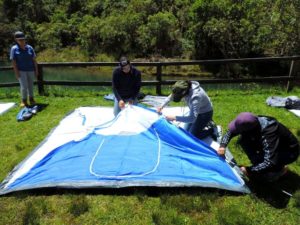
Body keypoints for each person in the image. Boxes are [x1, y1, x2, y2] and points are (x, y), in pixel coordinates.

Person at [217, 112, 299, 181]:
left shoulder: (269, 133)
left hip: (289, 152)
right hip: (273, 146)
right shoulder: (253, 122)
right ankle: (258, 164)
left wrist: (249, 170)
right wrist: (222, 146)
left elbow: (270, 162)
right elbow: (231, 132)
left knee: (268, 174)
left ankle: (279, 171)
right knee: (244, 140)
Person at [10, 31, 38, 107]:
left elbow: (34, 60)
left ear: (25, 39)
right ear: (16, 40)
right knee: (24, 86)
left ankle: (31, 99)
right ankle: (24, 100)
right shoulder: (14, 49)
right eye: (20, 40)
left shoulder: (30, 48)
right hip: (21, 71)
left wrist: (36, 70)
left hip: (31, 70)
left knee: (31, 85)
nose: (22, 41)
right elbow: (14, 62)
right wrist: (16, 73)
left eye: (23, 39)